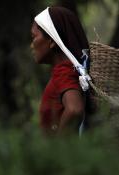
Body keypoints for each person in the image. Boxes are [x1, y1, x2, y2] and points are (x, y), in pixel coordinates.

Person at [30, 6, 90, 135]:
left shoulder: (63, 71)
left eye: (34, 37)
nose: (32, 44)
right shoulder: (69, 69)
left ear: (51, 41)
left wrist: (58, 148)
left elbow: (75, 109)